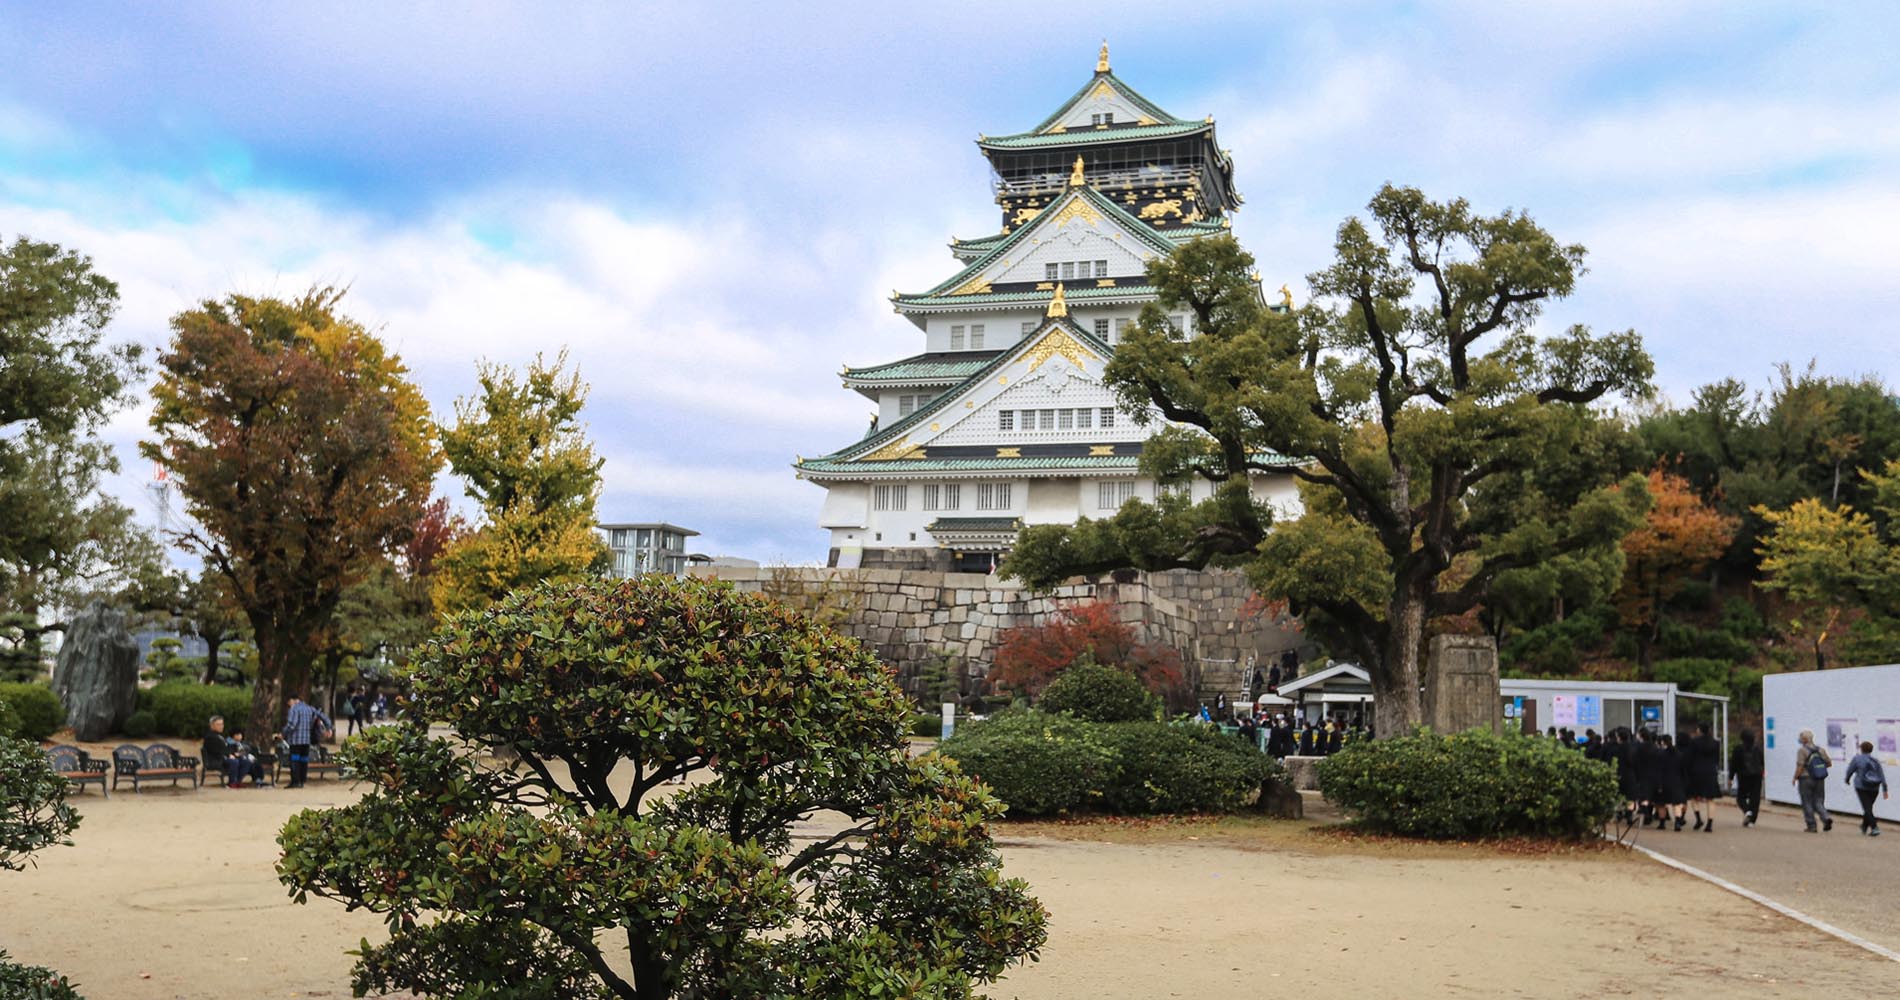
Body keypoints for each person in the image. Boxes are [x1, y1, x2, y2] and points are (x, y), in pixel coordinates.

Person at [281, 693, 333, 789]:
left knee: (294, 760)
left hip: (295, 740)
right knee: (303, 760)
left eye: (289, 703)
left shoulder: (294, 709)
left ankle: (295, 781)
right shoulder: (309, 708)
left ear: (292, 700)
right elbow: (323, 717)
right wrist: (329, 727)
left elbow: (292, 725)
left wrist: (283, 733)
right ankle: (302, 780)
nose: (289, 705)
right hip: (306, 740)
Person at [1843, 740, 1889, 836]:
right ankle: (1864, 827)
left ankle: (1875, 827)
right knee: (1868, 808)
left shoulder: (1857, 759)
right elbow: (1881, 775)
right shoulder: (1875, 761)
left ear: (1861, 749)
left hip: (1861, 786)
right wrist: (1884, 789)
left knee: (1867, 808)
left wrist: (1847, 779)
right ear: (1871, 750)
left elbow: (1850, 770)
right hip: (1874, 787)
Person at [1684, 722, 1722, 831]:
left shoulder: (1694, 742)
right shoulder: (1715, 743)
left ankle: (1698, 819)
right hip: (1710, 771)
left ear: (1699, 730)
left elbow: (1689, 758)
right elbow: (1717, 759)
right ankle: (1709, 824)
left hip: (1696, 772)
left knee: (1693, 796)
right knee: (1711, 798)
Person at [1794, 729, 1833, 833]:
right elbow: (1829, 763)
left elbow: (1800, 766)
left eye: (1801, 738)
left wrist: (1795, 777)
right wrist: (1817, 769)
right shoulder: (1821, 750)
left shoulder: (1802, 750)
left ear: (1804, 739)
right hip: (1819, 778)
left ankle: (1812, 825)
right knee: (1819, 800)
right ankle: (1826, 817)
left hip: (1805, 779)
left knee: (1807, 802)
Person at [1728, 728, 1765, 826]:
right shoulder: (1758, 748)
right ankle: (1752, 820)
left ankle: (1747, 810)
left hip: (1743, 775)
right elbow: (1762, 761)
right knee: (1755, 797)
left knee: (1741, 796)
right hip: (1757, 775)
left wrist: (1731, 777)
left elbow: (1734, 764)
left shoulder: (1738, 749)